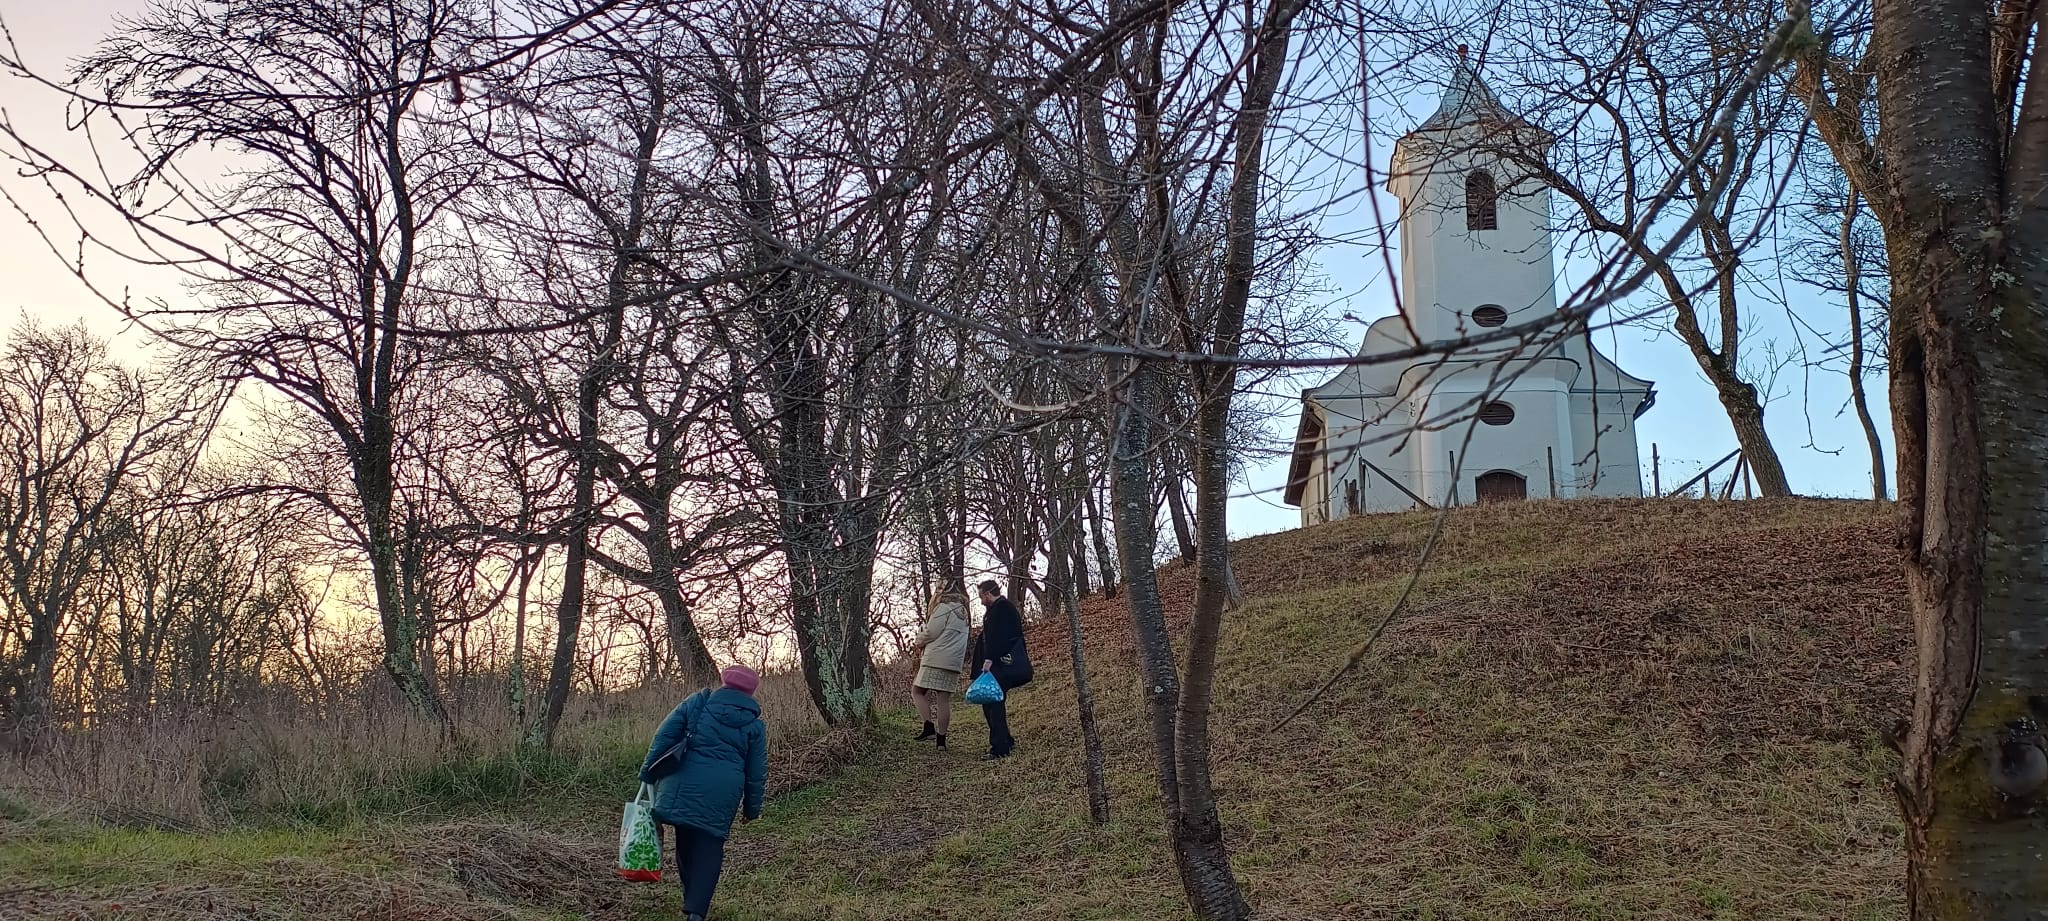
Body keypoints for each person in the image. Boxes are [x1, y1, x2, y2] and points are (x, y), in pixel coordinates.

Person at [638, 665, 769, 921]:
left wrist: (647, 774)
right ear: (751, 692)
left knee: (685, 842)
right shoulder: (755, 726)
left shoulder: (698, 702)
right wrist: (751, 809)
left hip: (683, 783)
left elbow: (664, 737)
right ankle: (696, 911)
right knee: (710, 847)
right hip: (722, 794)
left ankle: (691, 898)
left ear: (724, 682)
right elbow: (756, 772)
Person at [971, 579, 1029, 761]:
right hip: (999, 663)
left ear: (988, 594)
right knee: (991, 702)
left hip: (1001, 665)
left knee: (993, 703)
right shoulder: (998, 609)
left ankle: (1000, 747)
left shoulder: (1002, 609)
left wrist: (989, 659)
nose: (981, 601)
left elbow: (999, 637)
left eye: (981, 596)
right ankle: (1005, 740)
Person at [911, 588, 971, 749]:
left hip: (935, 659)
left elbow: (930, 633)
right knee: (943, 700)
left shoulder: (943, 608)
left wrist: (918, 640)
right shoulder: (964, 613)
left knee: (917, 692)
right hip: (954, 662)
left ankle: (929, 727)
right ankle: (941, 741)